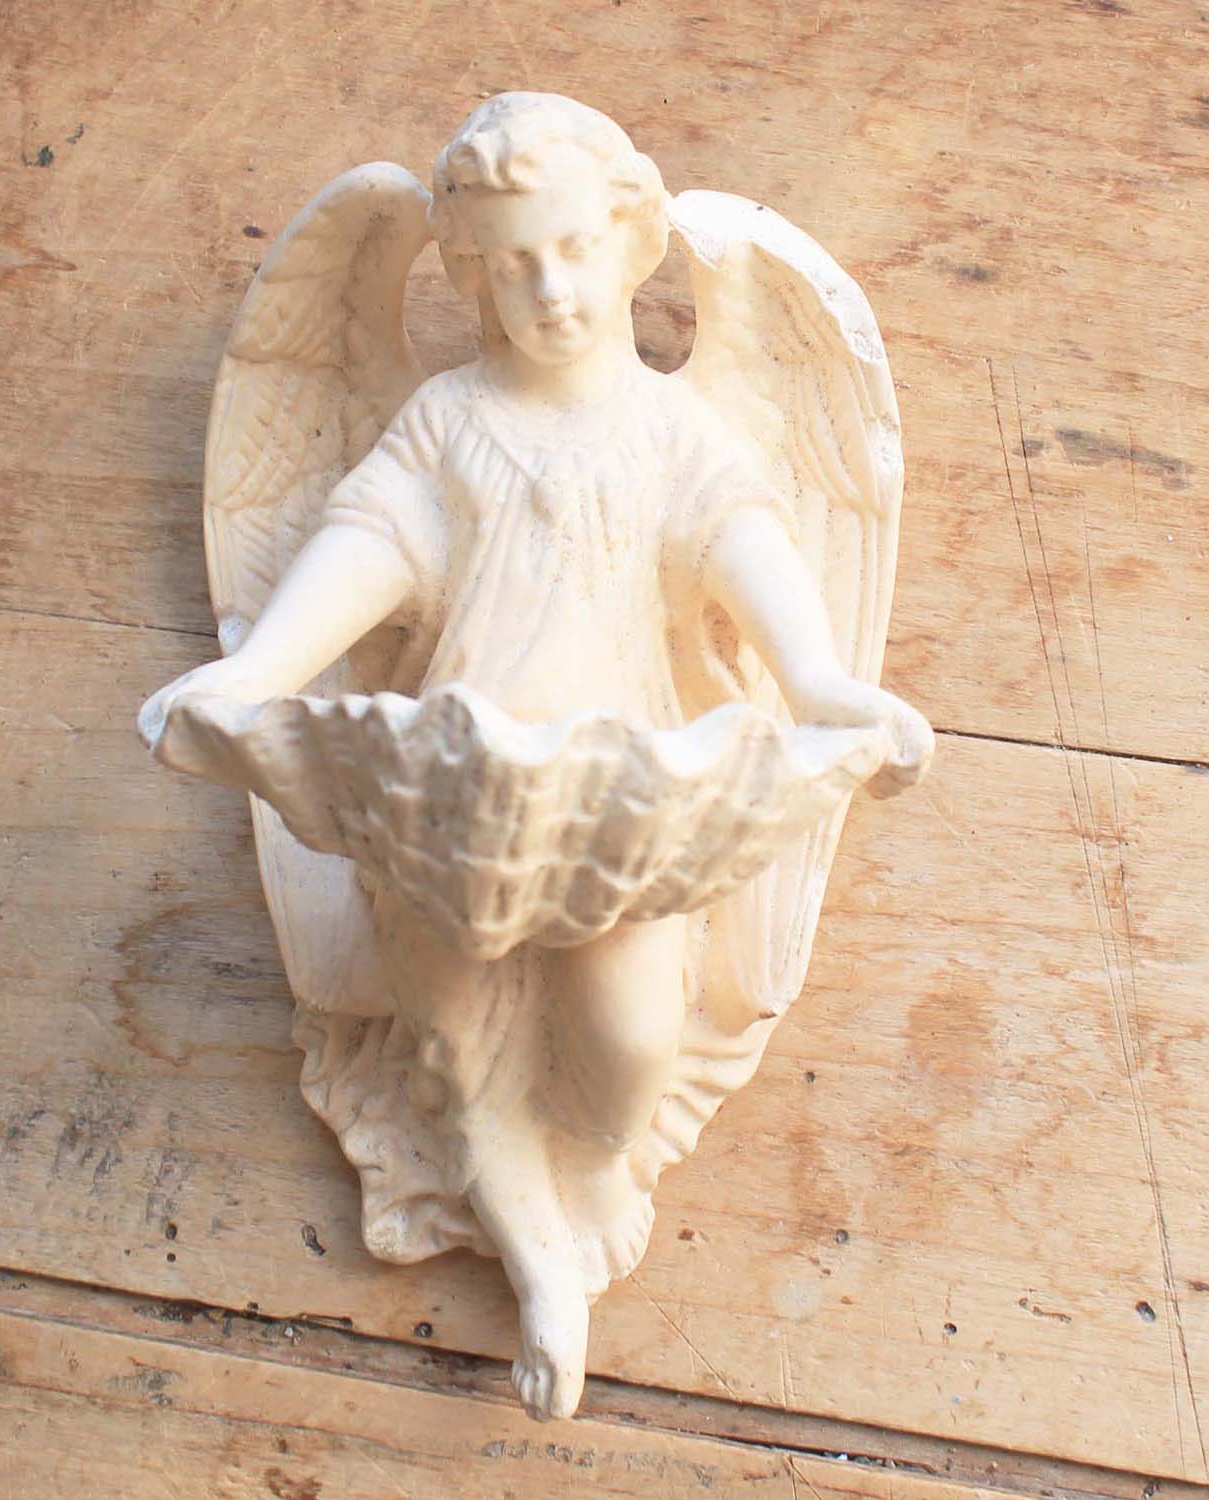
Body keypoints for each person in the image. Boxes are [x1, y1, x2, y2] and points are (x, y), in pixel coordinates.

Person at [141, 92, 931, 1419]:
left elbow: (748, 549)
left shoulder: (672, 430)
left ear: (631, 241)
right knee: (454, 1050)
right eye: (512, 265)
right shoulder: (446, 420)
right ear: (469, 273)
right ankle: (541, 1268)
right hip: (447, 804)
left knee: (629, 1043)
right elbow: (364, 546)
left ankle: (591, 1174)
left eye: (572, 250)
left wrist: (822, 688)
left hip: (625, 808)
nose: (551, 290)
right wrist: (258, 676)